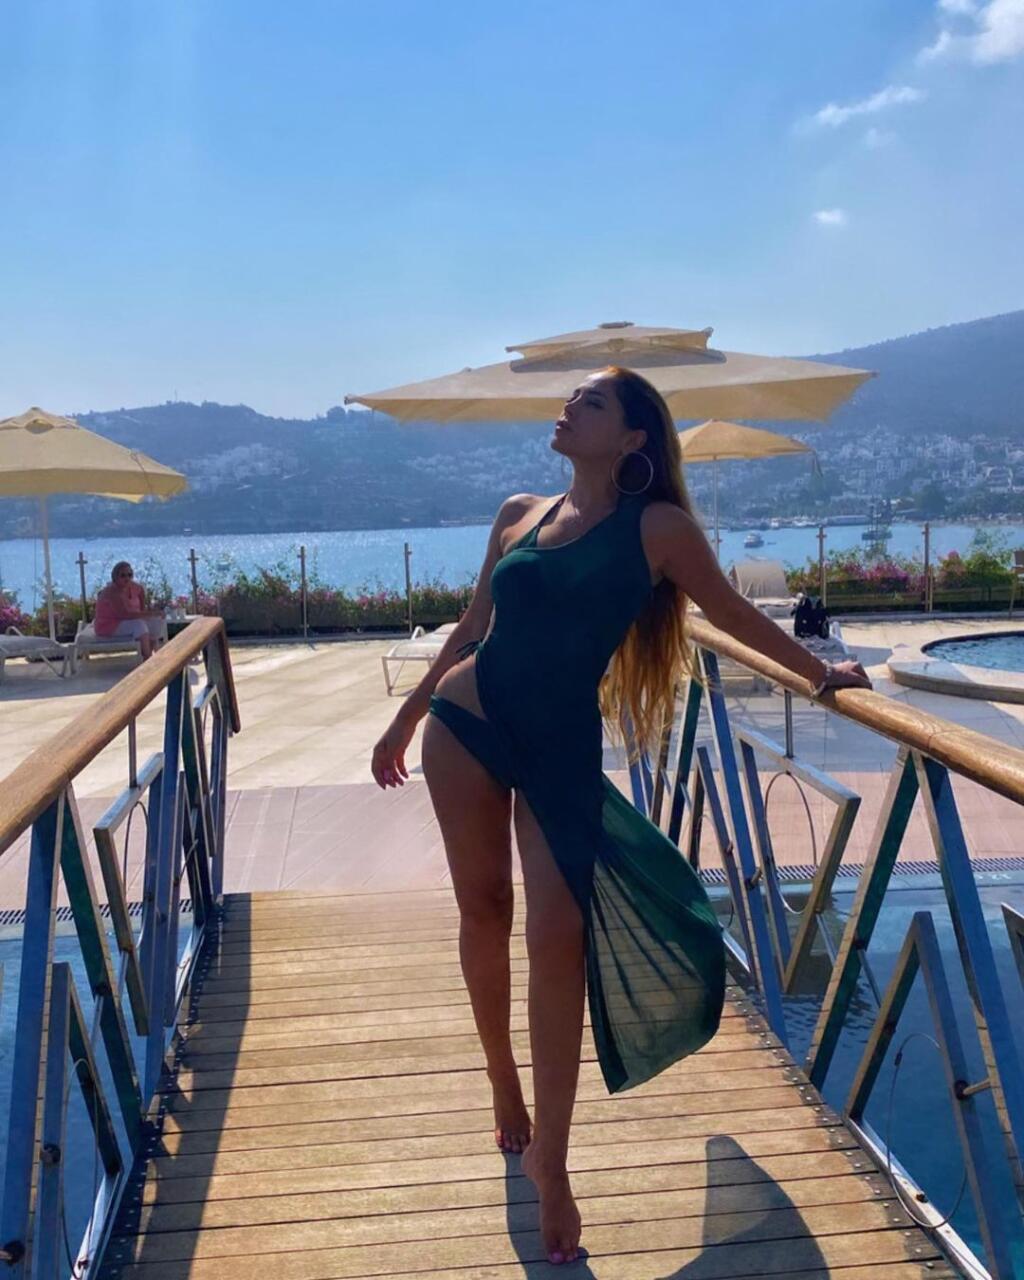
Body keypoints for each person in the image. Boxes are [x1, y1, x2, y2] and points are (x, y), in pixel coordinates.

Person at [371, 367, 870, 1266]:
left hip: (557, 751)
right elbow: (472, 626)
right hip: (464, 728)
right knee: (485, 909)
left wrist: (819, 672)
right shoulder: (518, 513)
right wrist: (405, 718)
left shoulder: (658, 528)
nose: (568, 409)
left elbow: (729, 611)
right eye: (571, 399)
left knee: (558, 936)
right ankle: (502, 1081)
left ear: (634, 438)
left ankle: (552, 1162)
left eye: (590, 403)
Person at [93, 562, 166, 659]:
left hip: (125, 621)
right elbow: (125, 615)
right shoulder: (112, 592)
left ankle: (152, 649)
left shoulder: (133, 587)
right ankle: (147, 657)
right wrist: (149, 614)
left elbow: (140, 592)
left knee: (155, 620)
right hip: (108, 625)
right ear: (115, 577)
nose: (127, 578)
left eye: (129, 575)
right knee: (139, 625)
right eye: (122, 575)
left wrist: (149, 613)